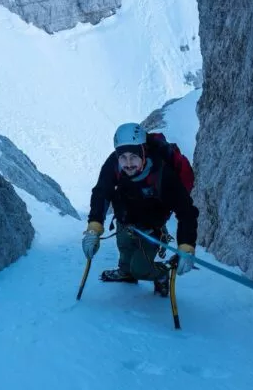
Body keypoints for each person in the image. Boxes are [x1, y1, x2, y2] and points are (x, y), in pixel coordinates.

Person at [81, 122, 199, 297]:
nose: (128, 164)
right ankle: (126, 273)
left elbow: (186, 211)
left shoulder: (162, 173)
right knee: (124, 247)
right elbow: (101, 193)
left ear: (143, 151)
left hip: (151, 228)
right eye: (123, 157)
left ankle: (160, 274)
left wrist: (186, 246)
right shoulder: (114, 164)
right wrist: (94, 229)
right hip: (125, 220)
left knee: (140, 268)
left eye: (133, 157)